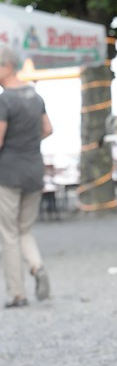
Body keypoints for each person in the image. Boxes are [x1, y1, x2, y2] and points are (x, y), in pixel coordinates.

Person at [0, 47, 52, 308]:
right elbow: (48, 129)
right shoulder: (35, 96)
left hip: (8, 172)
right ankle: (37, 265)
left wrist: (13, 145)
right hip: (34, 169)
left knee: (8, 233)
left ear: (7, 67)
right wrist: (28, 143)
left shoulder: (4, 100)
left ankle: (17, 293)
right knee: (25, 230)